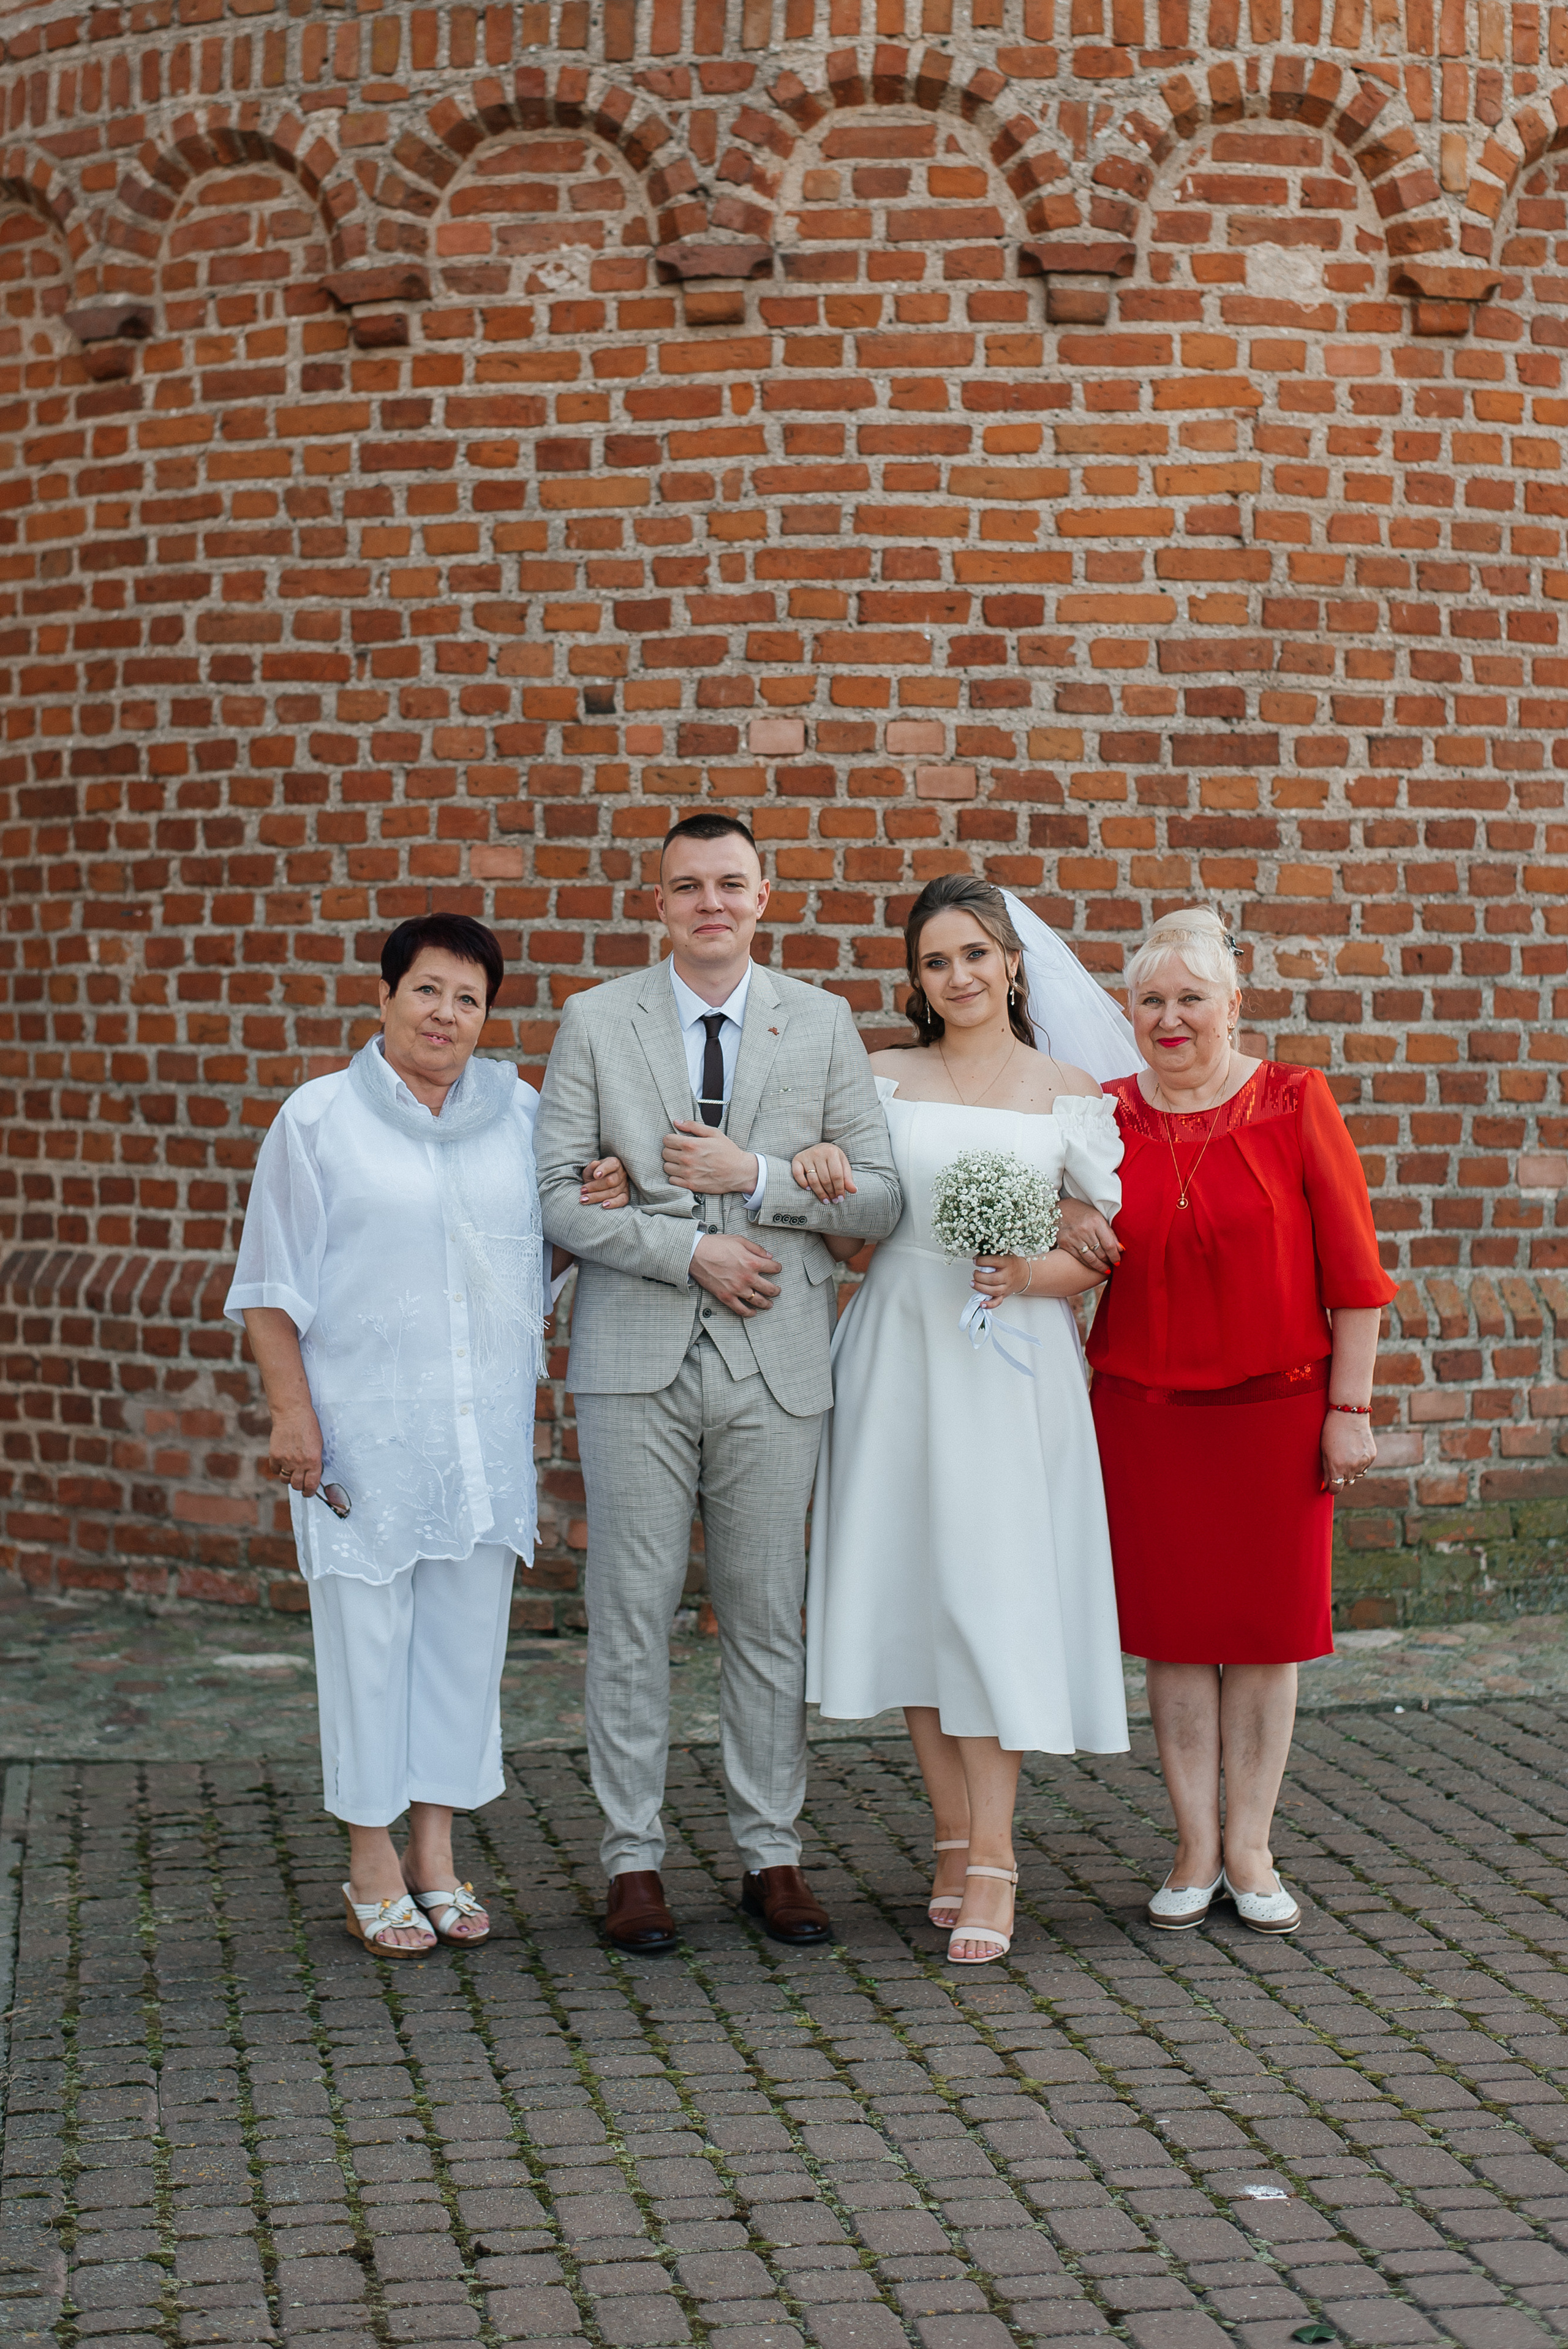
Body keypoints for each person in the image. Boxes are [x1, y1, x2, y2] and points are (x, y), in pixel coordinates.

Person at [533, 812, 903, 1955]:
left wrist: (767, 1179)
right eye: (687, 886)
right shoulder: (598, 1021)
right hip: (634, 1364)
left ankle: (770, 1854)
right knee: (630, 1617)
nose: (710, 903)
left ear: (763, 896)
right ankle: (632, 1863)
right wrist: (684, 1247)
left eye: (730, 884)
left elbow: (880, 1201)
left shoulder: (824, 1023)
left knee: (762, 1616)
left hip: (777, 1366)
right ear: (659, 902)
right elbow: (552, 1197)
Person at [226, 913, 628, 1956]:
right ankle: (369, 1858)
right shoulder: (317, 1121)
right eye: (427, 991)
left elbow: (546, 1250)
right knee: (366, 1646)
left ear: (487, 1017)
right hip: (361, 1431)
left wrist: (601, 1197)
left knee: (460, 1648)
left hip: (477, 1434)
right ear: (384, 997)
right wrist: (292, 1411)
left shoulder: (521, 1115)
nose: (446, 1014)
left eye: (468, 999)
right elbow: (271, 1288)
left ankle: (436, 1854)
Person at [805, 876, 1142, 1966]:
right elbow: (853, 1230)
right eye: (936, 961)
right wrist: (812, 1179)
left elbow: (1094, 1260)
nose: (957, 977)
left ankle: (996, 1856)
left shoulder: (1067, 1091)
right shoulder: (881, 1079)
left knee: (993, 1596)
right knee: (917, 1593)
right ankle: (952, 1838)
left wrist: (1032, 1267)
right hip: (899, 1344)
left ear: (1012, 963)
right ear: (916, 980)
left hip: (1009, 1362)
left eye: (975, 955)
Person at [1085, 906, 1396, 1936]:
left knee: (1266, 1639)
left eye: (1191, 999)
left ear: (1233, 1004)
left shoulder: (1298, 1099)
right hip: (1147, 1412)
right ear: (1128, 1012)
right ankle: (1192, 1847)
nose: (1170, 1019)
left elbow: (1355, 1275)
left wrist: (1348, 1410)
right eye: (1151, 1001)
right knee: (1175, 1638)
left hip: (1280, 1409)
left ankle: (1253, 1847)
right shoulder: (1101, 1116)